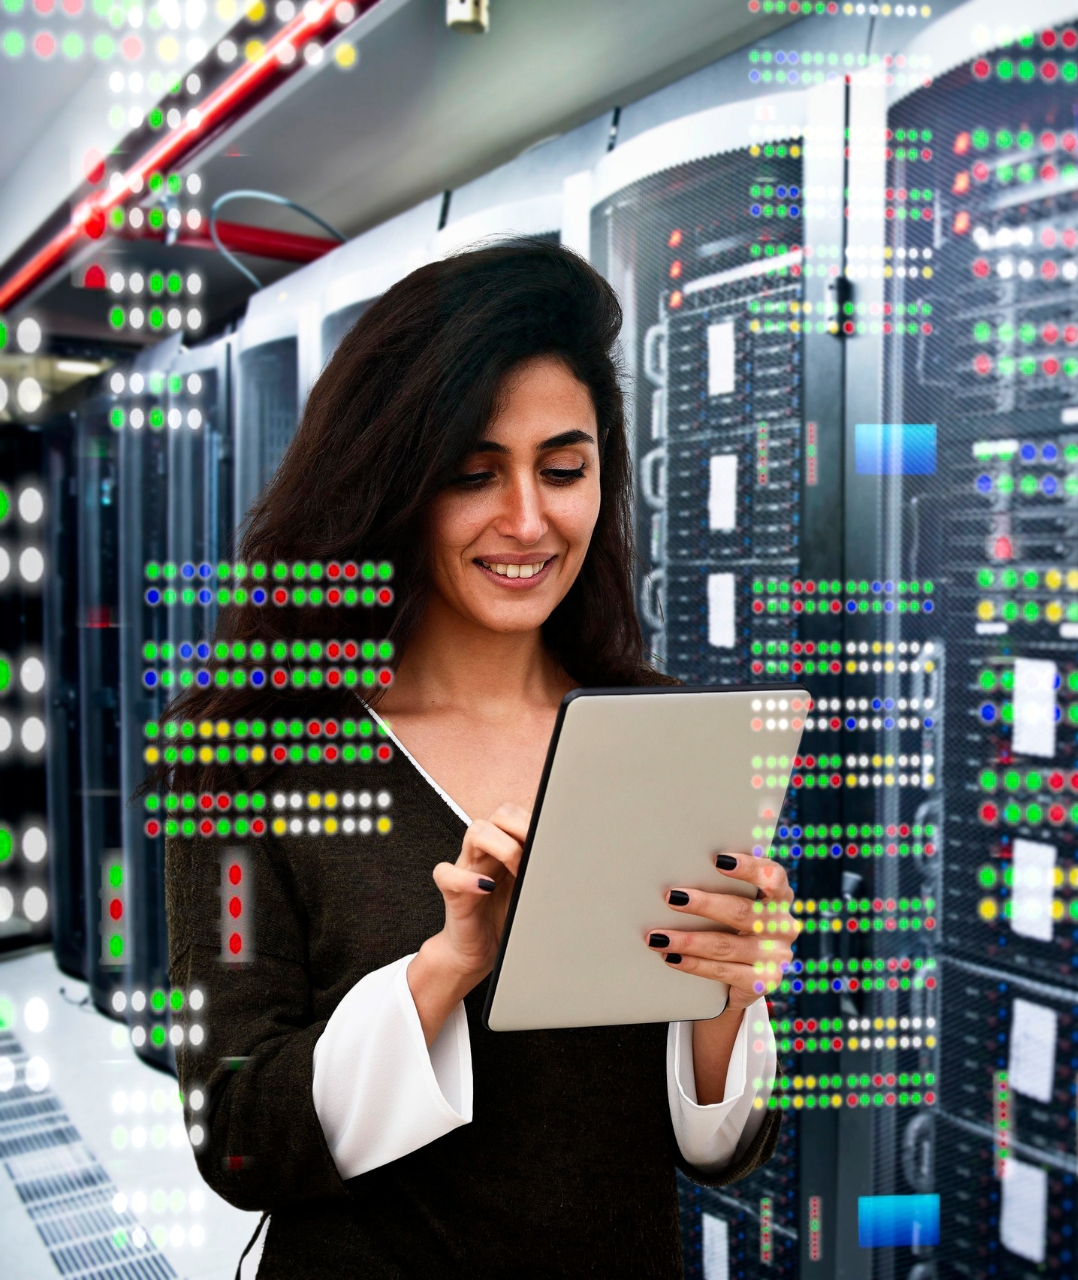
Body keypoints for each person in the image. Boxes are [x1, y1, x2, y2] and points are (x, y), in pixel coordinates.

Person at [158, 240, 797, 1277]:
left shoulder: (664, 733)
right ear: (394, 481)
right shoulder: (251, 757)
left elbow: (716, 1148)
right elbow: (234, 1127)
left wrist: (730, 992)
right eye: (472, 473)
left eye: (562, 468)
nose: (528, 520)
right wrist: (443, 969)